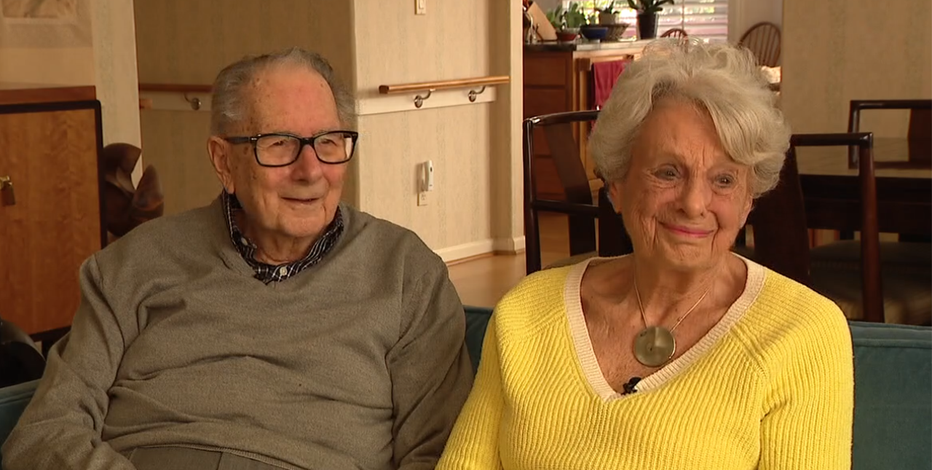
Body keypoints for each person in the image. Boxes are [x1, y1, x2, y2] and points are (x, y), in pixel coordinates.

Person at [2, 47, 473, 470]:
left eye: (329, 141)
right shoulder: (128, 267)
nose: (311, 171)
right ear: (223, 161)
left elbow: (443, 455)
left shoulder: (407, 275)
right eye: (280, 143)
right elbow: (44, 434)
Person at [437, 40, 854, 470]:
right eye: (668, 173)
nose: (694, 203)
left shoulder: (801, 335)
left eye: (724, 180)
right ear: (617, 184)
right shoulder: (526, 313)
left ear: (750, 200)